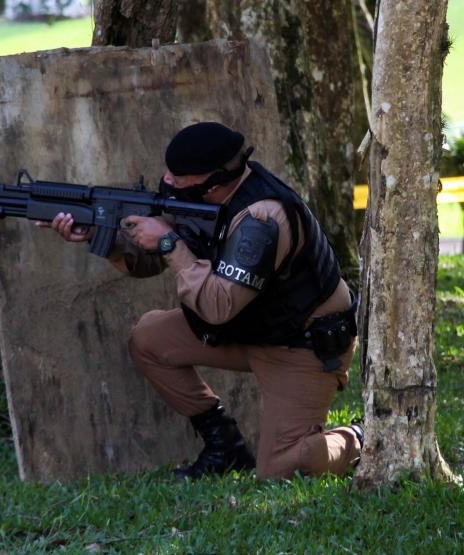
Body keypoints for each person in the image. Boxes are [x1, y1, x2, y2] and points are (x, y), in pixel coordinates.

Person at [43, 122, 361, 480]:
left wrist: (169, 243)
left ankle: (363, 439)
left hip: (300, 346)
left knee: (282, 470)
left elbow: (217, 306)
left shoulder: (262, 218)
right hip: (248, 329)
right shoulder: (199, 195)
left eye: (180, 177)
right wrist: (108, 239)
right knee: (149, 339)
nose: (168, 180)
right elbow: (159, 260)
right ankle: (225, 445)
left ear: (215, 180)